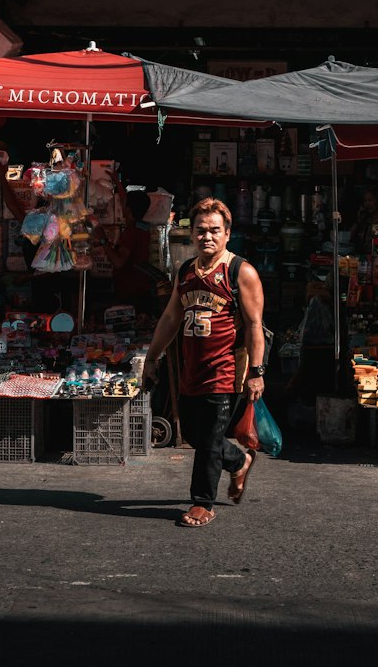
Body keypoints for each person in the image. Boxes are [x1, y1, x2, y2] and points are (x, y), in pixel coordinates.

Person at [143, 197, 265, 528]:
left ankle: (202, 503)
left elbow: (255, 326)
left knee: (209, 438)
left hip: (226, 371)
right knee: (198, 436)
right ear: (192, 234)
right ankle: (239, 462)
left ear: (227, 234)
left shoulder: (241, 272)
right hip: (191, 370)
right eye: (200, 230)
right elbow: (171, 317)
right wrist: (151, 358)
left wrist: (257, 372)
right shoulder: (185, 272)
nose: (207, 237)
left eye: (214, 230)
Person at [106, 188, 154, 306]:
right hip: (141, 289)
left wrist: (103, 240)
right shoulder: (143, 228)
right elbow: (127, 201)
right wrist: (116, 181)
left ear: (127, 209)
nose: (121, 205)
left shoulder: (131, 232)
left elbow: (118, 262)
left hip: (131, 293)